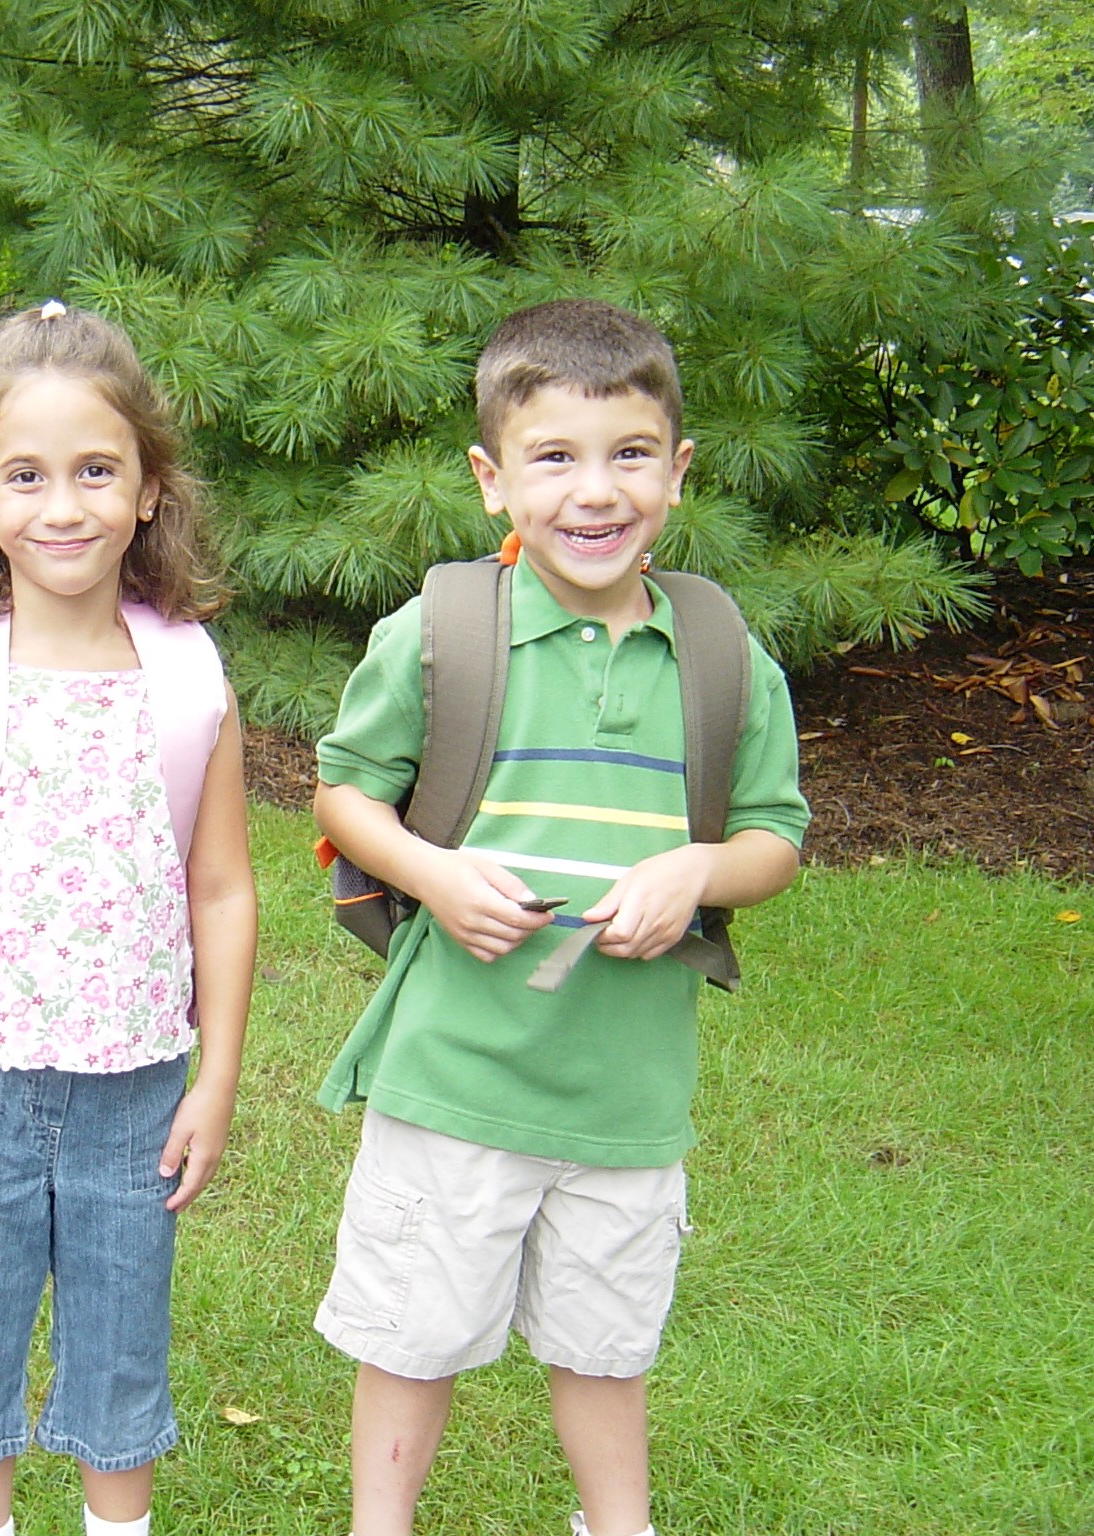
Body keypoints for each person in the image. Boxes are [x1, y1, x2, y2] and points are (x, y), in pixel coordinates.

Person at [312, 299, 810, 1536]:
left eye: (629, 454)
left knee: (604, 1343)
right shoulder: (439, 635)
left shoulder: (720, 653)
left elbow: (773, 839)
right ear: (492, 481)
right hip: (453, 1078)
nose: (594, 492)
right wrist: (430, 873)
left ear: (676, 472)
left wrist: (694, 872)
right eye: (553, 458)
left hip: (625, 1100)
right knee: (413, 1336)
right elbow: (341, 794)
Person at [0, 301, 256, 1536]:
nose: (61, 505)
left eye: (95, 471)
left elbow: (224, 889)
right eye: (25, 476)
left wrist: (216, 1080)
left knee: (121, 1339)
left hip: (136, 1084)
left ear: (146, 491)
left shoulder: (188, 673)